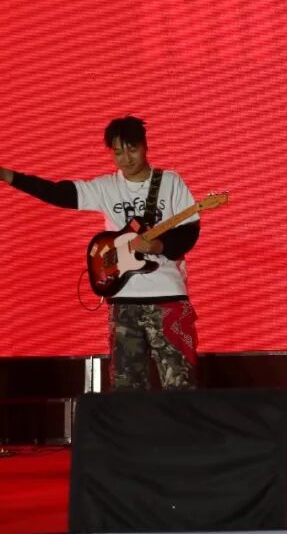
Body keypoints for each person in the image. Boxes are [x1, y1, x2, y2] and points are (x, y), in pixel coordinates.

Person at [1, 116, 202, 390]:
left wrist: (159, 246)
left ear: (145, 146)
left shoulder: (170, 182)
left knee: (180, 383)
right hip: (123, 299)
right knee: (125, 387)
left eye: (132, 150)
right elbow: (58, 193)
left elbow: (189, 230)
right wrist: (8, 176)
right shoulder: (106, 187)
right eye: (118, 152)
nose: (126, 159)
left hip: (169, 297)